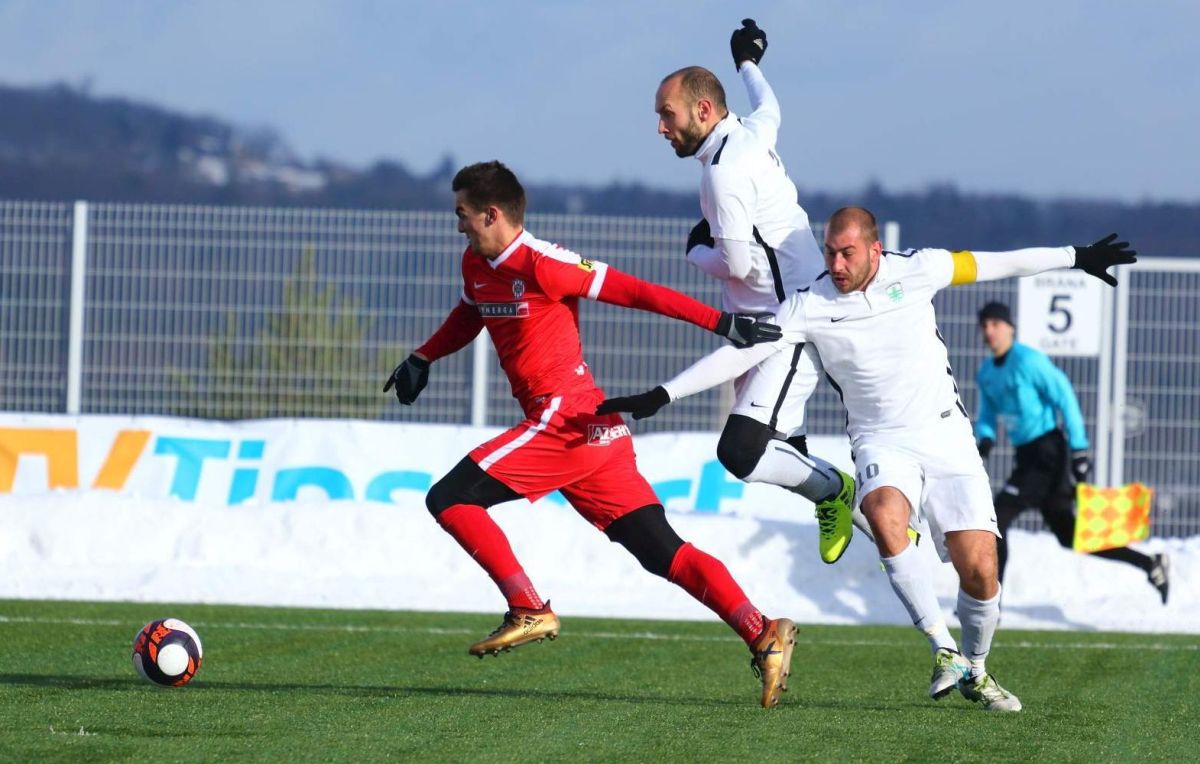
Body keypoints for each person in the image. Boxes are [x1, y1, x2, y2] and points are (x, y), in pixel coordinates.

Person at [598, 207, 1137, 712]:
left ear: (875, 250)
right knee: (881, 513)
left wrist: (1075, 256)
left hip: (947, 437)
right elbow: (745, 351)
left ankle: (976, 668)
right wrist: (664, 393)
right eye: (830, 252)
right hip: (880, 441)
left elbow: (997, 263)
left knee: (979, 568)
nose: (836, 264)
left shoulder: (919, 269)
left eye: (847, 253)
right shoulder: (809, 303)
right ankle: (942, 647)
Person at [385, 160, 794, 708]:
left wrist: (721, 324)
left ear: (492, 214)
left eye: (462, 214)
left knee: (449, 498)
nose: (457, 224)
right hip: (593, 434)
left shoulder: (544, 263)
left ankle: (527, 607)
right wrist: (424, 355)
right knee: (663, 552)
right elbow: (470, 312)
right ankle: (761, 631)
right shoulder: (475, 263)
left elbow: (636, 292)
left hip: (565, 420)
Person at [653, 19, 855, 564]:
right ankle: (881, 525)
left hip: (786, 323)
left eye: (667, 115)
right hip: (767, 322)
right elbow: (771, 107)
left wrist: (694, 252)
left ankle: (844, 496)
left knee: (743, 452)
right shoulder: (750, 131)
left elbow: (736, 265)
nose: (660, 128)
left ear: (702, 110)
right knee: (783, 450)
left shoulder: (723, 173)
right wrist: (748, 63)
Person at [975, 301, 1170, 603]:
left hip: (1048, 453)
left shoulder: (1028, 361)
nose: (990, 331)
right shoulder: (986, 372)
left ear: (1010, 328)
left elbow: (1064, 394)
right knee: (1069, 535)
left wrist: (1079, 448)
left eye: (996, 324)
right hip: (1026, 456)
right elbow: (987, 412)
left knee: (998, 517)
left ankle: (990, 604)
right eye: (985, 325)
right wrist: (985, 438)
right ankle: (1150, 563)